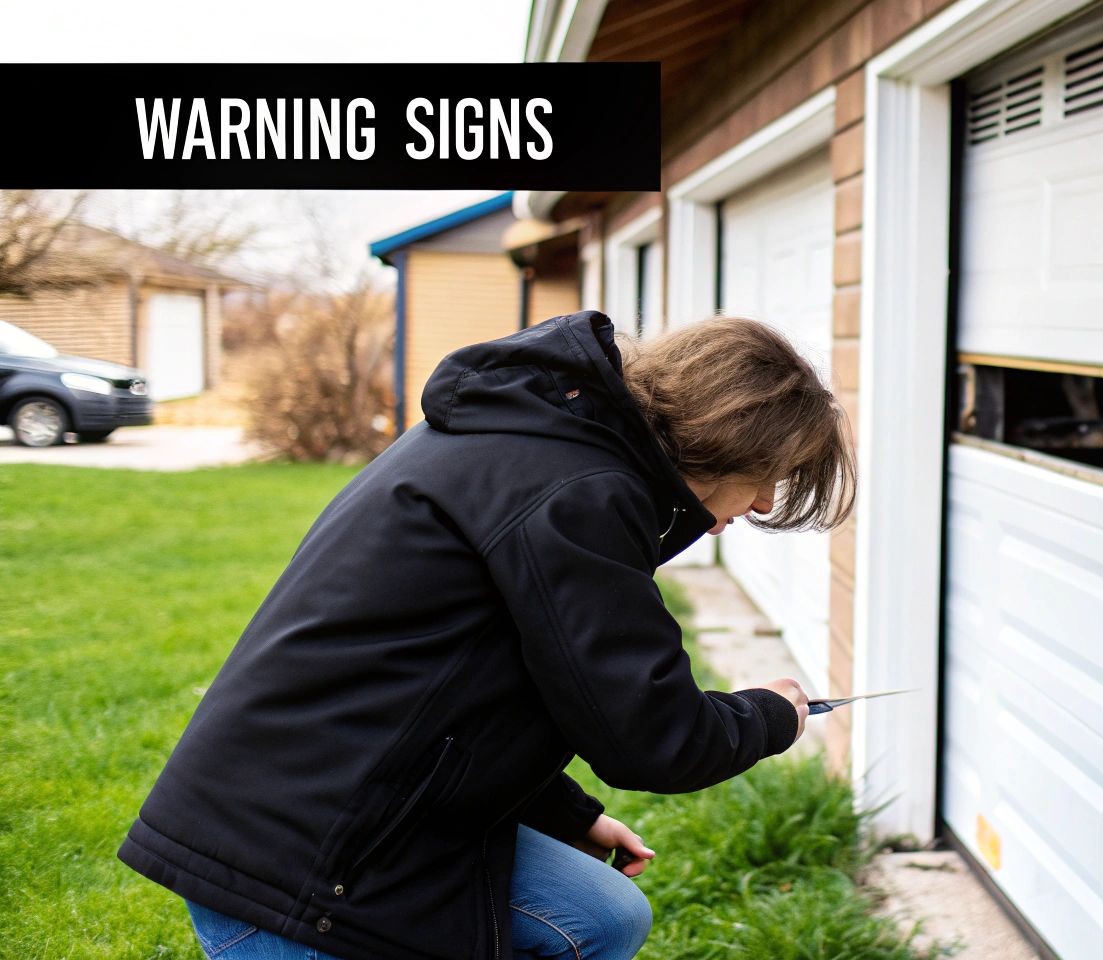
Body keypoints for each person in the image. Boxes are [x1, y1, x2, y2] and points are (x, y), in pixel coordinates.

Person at [118, 311, 855, 960]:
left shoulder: (540, 442)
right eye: (767, 474)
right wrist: (772, 714)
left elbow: (465, 683)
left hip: (327, 803)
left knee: (599, 916)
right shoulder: (578, 489)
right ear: (722, 438)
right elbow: (655, 738)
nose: (763, 502)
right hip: (300, 866)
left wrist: (569, 813)